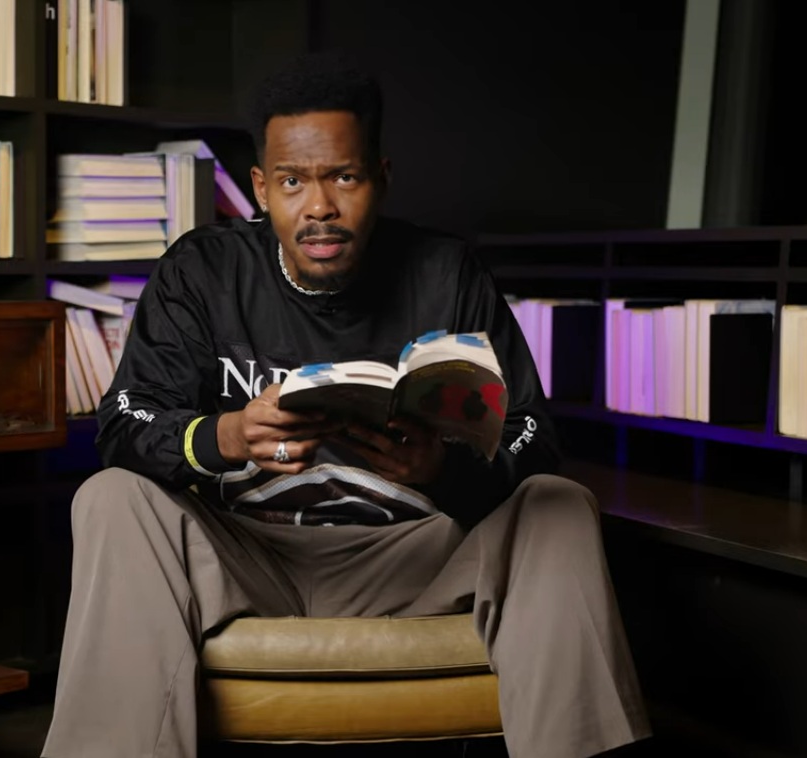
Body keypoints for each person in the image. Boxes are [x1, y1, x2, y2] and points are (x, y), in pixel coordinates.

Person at [41, 50, 650, 758]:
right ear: (261, 188)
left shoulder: (445, 272)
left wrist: (441, 469)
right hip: (249, 555)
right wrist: (228, 435)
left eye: (344, 177)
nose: (319, 207)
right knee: (110, 496)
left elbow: (531, 434)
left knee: (557, 502)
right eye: (293, 181)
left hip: (415, 555)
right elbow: (124, 423)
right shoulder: (203, 270)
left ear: (380, 178)